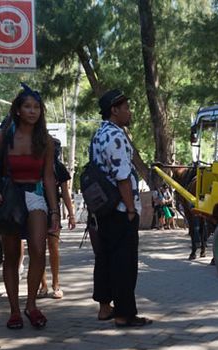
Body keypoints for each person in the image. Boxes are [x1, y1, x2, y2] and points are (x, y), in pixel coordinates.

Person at [0, 84, 60, 329]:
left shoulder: (45, 141)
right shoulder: (1, 138)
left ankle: (31, 305)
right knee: (12, 255)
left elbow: (48, 178)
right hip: (9, 198)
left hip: (35, 195)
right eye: (27, 106)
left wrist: (55, 211)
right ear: (18, 110)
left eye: (36, 107)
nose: (32, 111)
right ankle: (14, 310)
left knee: (38, 250)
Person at [91, 89, 152, 328]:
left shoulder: (100, 134)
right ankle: (124, 314)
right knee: (124, 263)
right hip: (118, 209)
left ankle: (105, 308)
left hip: (104, 208)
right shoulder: (116, 136)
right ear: (114, 110)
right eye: (125, 107)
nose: (129, 111)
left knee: (104, 258)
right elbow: (122, 176)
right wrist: (130, 209)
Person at [38, 137, 76, 299]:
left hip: (54, 212)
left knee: (53, 246)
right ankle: (43, 285)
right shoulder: (36, 166)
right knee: (37, 249)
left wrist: (72, 214)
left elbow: (66, 193)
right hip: (36, 211)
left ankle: (56, 284)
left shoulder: (59, 168)